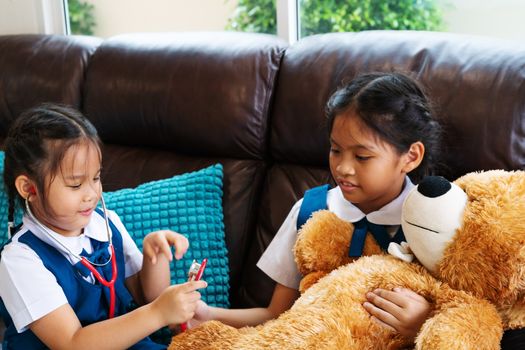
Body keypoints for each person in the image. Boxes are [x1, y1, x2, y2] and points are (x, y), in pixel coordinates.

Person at [191, 72, 442, 342]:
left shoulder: (435, 222)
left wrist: (424, 324)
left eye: (362, 156)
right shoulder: (310, 211)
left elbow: (469, 313)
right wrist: (208, 315)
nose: (343, 168)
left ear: (411, 156)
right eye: (336, 150)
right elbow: (277, 314)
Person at [0, 104, 207, 349]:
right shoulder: (20, 260)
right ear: (29, 189)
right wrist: (158, 313)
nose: (91, 194)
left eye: (96, 178)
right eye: (76, 185)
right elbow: (71, 343)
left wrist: (156, 256)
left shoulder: (105, 224)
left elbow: (147, 296)